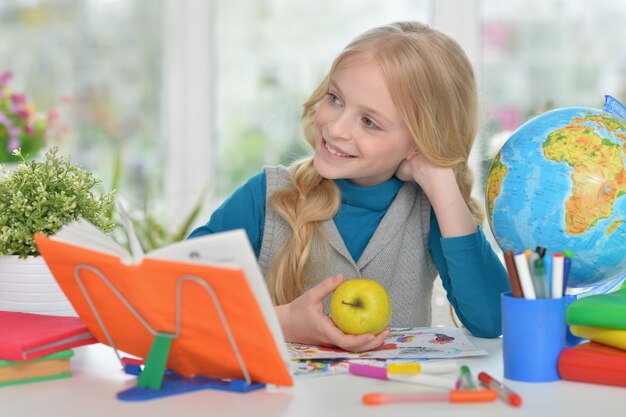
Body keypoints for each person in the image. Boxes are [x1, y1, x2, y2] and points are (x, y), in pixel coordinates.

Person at [189, 21, 510, 352]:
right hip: (286, 404)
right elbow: (173, 298)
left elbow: (492, 321)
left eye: (369, 122)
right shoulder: (268, 196)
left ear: (419, 142)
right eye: (335, 98)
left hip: (393, 403)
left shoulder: (430, 213)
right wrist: (282, 321)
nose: (336, 127)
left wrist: (441, 180)